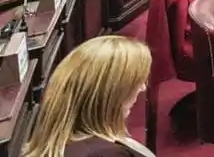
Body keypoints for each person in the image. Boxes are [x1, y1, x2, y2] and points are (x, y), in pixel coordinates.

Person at [23, 36, 154, 157]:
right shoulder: (103, 154)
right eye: (136, 81)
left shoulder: (70, 144)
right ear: (109, 94)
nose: (142, 88)